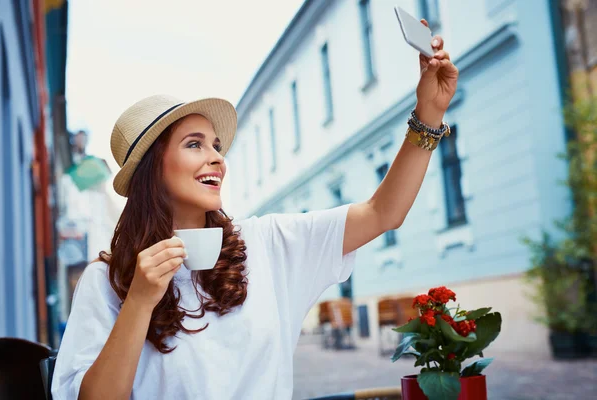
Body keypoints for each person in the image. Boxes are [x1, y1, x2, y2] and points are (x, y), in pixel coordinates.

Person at [51, 21, 458, 400]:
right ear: (151, 171)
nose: (216, 158)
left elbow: (382, 213)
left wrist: (430, 113)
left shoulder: (266, 244)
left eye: (216, 146)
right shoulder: (106, 281)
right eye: (194, 144)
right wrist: (139, 302)